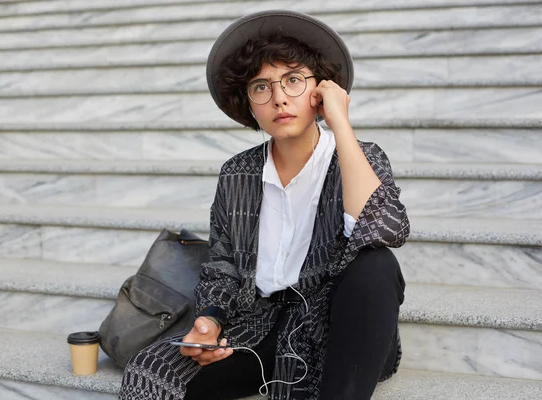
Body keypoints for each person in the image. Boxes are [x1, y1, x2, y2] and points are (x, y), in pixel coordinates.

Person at [119, 10, 410, 400]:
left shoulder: (359, 156)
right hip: (257, 327)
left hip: (337, 328)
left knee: (375, 263)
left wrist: (341, 123)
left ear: (320, 90)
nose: (279, 99)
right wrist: (209, 320)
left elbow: (384, 229)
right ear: (250, 105)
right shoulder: (237, 174)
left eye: (293, 80)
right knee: (148, 371)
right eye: (261, 87)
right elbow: (222, 265)